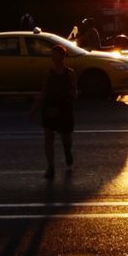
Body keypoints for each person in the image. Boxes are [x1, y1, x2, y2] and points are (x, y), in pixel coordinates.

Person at [33, 44, 77, 180]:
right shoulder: (49, 73)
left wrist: (69, 95)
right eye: (53, 55)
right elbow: (44, 92)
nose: (54, 58)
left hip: (64, 108)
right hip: (50, 108)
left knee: (66, 137)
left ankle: (67, 151)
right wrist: (35, 109)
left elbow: (75, 92)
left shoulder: (70, 73)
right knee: (48, 137)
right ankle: (50, 167)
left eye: (56, 55)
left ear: (63, 57)